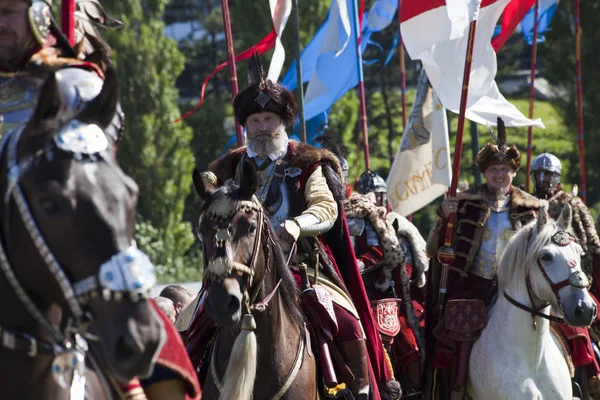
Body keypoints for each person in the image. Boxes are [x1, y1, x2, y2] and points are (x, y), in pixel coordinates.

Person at [0, 2, 199, 399]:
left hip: (64, 243)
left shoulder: (76, 82)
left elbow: (92, 181)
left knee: (161, 369)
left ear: (41, 11)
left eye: (8, 11)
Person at [186, 54, 400, 400]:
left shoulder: (306, 163)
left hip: (300, 265)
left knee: (344, 318)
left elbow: (326, 207)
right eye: (254, 121)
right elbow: (209, 207)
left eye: (269, 119)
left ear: (283, 122)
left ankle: (359, 389)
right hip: (239, 267)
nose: (262, 127)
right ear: (246, 126)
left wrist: (296, 226)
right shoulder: (229, 167)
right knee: (195, 320)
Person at [426, 118, 543, 398]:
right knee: (460, 326)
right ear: (485, 173)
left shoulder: (532, 207)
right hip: (475, 284)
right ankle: (457, 385)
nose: (499, 174)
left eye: (504, 169)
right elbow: (434, 250)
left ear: (513, 173)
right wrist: (443, 216)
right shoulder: (464, 203)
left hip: (516, 285)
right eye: (493, 169)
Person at [345, 170, 429, 396]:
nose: (373, 198)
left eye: (377, 194)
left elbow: (398, 260)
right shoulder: (344, 216)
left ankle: (413, 389)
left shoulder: (390, 223)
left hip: (385, 293)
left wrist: (360, 266)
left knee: (408, 342)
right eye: (368, 193)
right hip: (347, 288)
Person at [531, 152, 600, 393]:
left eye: (548, 174)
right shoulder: (525, 202)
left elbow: (590, 246)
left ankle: (592, 374)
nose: (542, 179)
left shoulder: (572, 204)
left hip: (571, 280)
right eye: (538, 174)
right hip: (535, 280)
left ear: (556, 177)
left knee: (580, 324)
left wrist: (583, 279)